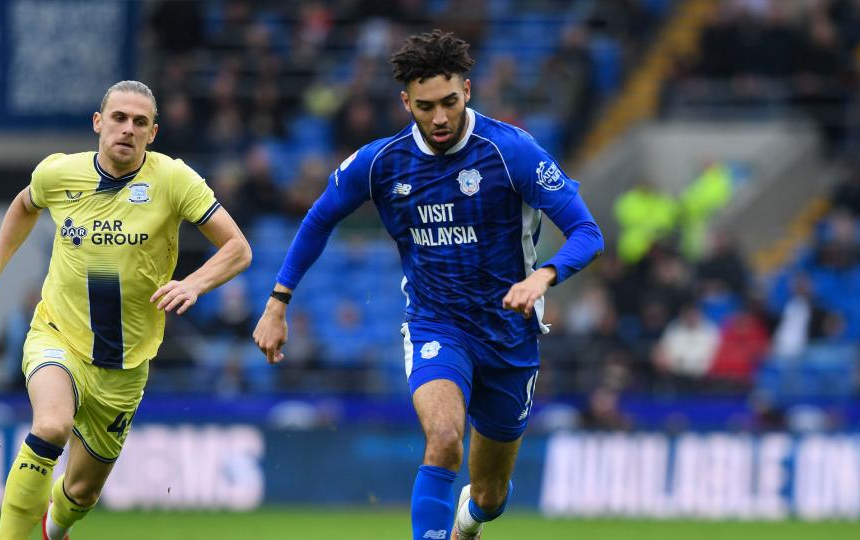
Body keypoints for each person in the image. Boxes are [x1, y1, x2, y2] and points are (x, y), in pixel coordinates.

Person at [253, 30, 603, 540]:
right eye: (425, 106)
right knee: (443, 439)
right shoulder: (381, 162)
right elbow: (318, 219)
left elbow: (587, 233)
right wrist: (278, 301)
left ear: (468, 89)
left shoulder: (512, 152)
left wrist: (542, 276)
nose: (439, 118)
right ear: (405, 102)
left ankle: (468, 520)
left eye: (449, 102)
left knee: (491, 496)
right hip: (436, 324)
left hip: (510, 335)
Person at [0, 80, 251, 540]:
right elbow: (23, 206)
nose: (127, 129)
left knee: (81, 493)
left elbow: (237, 248)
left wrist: (193, 283)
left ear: (152, 133)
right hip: (58, 335)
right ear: (98, 122)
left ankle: (54, 528)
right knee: (51, 426)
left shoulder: (174, 180)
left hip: (124, 365)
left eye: (139, 122)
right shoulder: (58, 173)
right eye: (118, 118)